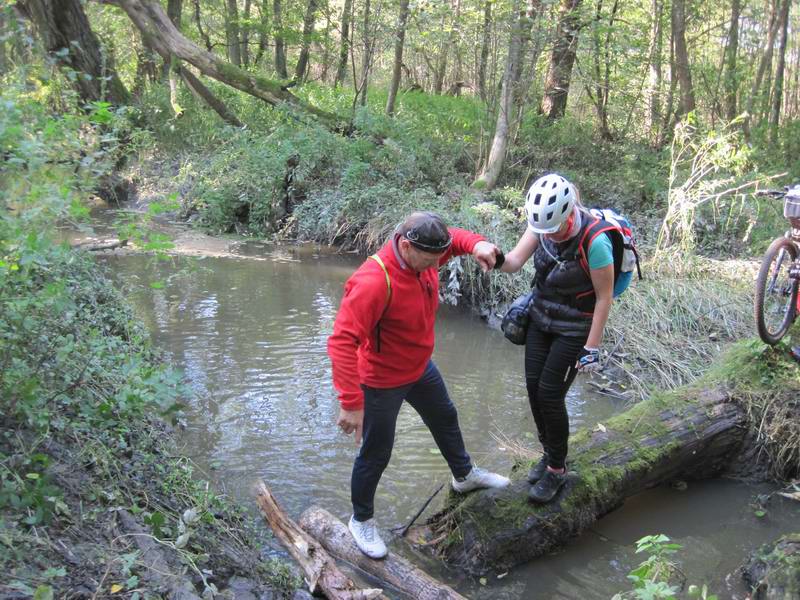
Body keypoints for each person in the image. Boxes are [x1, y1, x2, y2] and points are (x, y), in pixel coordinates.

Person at [327, 211, 511, 559]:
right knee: (376, 452)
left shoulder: (424, 252)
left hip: (419, 367)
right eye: (431, 259)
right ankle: (361, 520)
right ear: (406, 246)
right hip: (381, 380)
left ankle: (464, 474)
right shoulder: (373, 282)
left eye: (438, 258)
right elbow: (340, 342)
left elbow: (453, 238)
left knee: (445, 416)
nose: (437, 264)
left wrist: (477, 244)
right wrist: (351, 402)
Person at [499, 173, 616, 503]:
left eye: (553, 228)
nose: (547, 234)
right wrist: (494, 258)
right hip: (541, 316)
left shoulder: (596, 242)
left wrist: (592, 348)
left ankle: (556, 470)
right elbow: (514, 261)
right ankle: (550, 454)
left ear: (568, 213)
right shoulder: (541, 222)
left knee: (550, 395)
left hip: (576, 327)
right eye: (542, 229)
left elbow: (604, 297)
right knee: (534, 389)